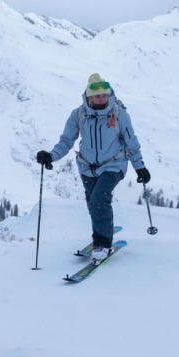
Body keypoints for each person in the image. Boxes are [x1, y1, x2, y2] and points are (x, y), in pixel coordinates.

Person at [36, 72, 151, 262]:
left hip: (114, 164)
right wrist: (51, 156)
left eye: (104, 94)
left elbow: (131, 142)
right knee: (92, 202)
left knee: (99, 199)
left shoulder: (118, 113)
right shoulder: (79, 114)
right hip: (86, 166)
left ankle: (102, 243)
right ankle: (103, 225)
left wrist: (140, 167)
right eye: (97, 95)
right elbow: (66, 141)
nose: (101, 98)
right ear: (89, 96)